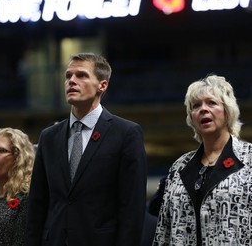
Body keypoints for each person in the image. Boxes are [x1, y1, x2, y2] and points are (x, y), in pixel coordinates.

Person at [25, 52, 147, 246]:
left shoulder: (126, 133)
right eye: (68, 76)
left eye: (81, 75)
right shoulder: (48, 137)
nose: (72, 81)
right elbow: (37, 205)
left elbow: (132, 207)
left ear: (102, 85)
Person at [153, 74, 252, 245]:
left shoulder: (249, 158)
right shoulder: (179, 167)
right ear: (191, 117)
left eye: (211, 103)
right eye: (195, 106)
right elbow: (164, 229)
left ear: (228, 111)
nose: (203, 109)